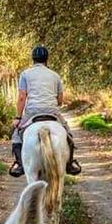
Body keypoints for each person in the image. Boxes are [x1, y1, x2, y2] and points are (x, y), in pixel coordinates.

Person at [9, 45, 82, 177]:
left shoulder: (25, 74)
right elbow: (60, 101)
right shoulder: (55, 75)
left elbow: (21, 98)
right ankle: (70, 163)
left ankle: (19, 165)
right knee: (68, 134)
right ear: (47, 59)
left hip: (32, 111)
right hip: (52, 111)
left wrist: (18, 118)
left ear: (33, 59)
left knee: (16, 136)